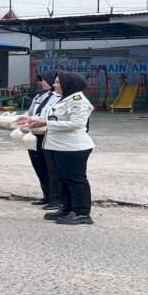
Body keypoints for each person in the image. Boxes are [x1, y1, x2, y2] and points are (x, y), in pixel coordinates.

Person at [20, 71, 95, 225]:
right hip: (59, 146)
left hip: (73, 147)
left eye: (57, 82)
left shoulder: (77, 100)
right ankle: (67, 209)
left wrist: (46, 123)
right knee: (63, 179)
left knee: (75, 180)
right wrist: (31, 119)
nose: (54, 85)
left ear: (68, 84)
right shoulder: (63, 98)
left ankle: (82, 213)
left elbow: (77, 123)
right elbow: (54, 117)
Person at [20, 71, 61, 208]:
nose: (42, 82)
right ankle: (47, 195)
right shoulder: (39, 96)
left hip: (49, 134)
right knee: (38, 165)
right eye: (41, 80)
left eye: (45, 80)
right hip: (34, 134)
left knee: (51, 167)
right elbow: (31, 113)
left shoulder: (60, 98)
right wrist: (24, 118)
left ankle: (56, 199)